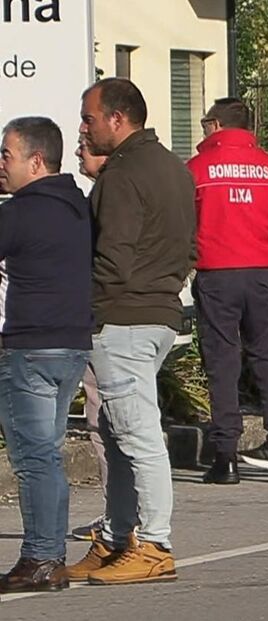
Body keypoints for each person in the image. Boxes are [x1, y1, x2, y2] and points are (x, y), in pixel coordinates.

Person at [67, 77, 196, 585]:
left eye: (89, 117)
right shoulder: (172, 167)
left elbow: (111, 258)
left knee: (135, 433)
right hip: (157, 311)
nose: (84, 127)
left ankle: (155, 542)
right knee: (117, 435)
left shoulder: (122, 174)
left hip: (122, 317)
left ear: (117, 119)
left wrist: (88, 309)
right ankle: (119, 537)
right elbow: (191, 247)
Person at [187, 97, 268, 484]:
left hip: (216, 274)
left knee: (223, 363)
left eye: (206, 122)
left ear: (217, 126)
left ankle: (226, 455)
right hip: (260, 273)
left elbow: (183, 224)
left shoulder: (197, 170)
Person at [0, 117, 93, 594]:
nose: (1, 165)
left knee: (34, 458)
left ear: (35, 161)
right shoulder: (78, 205)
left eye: (7, 155)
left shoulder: (21, 211)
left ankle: (40, 556)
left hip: (31, 347)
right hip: (72, 345)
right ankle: (49, 556)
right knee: (48, 455)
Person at [71, 138, 110, 541]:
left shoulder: (107, 198)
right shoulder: (100, 195)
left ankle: (120, 517)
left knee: (104, 418)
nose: (80, 152)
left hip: (103, 319)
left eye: (87, 146)